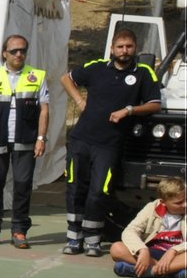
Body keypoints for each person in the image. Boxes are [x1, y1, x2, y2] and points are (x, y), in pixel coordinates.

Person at [59, 27, 162, 257]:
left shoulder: (144, 73)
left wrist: (129, 110)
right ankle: (74, 237)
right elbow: (66, 78)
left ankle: (93, 239)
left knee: (99, 191)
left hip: (109, 144)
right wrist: (79, 99)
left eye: (129, 46)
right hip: (81, 139)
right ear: (112, 49)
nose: (124, 51)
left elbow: (155, 104)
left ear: (135, 48)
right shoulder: (97, 67)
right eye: (120, 46)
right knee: (75, 188)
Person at [0, 34, 50, 249]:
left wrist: (41, 138)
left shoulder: (37, 75)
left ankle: (19, 230)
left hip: (25, 140)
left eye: (23, 50)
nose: (19, 54)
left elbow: (44, 110)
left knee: (23, 185)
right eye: (14, 50)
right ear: (5, 53)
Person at [110, 176, 187, 278]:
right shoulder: (152, 207)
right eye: (179, 203)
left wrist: (174, 250)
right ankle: (173, 273)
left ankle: (151, 271)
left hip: (181, 256)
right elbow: (130, 231)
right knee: (116, 248)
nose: (185, 204)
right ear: (163, 202)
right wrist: (142, 250)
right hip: (152, 254)